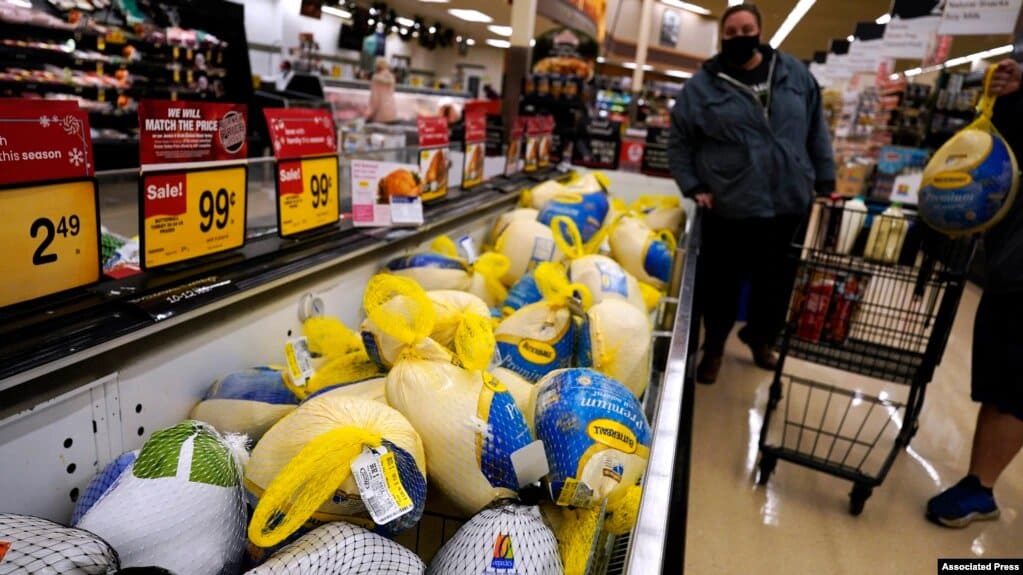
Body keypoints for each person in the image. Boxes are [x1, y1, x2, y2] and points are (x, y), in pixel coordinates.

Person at [667, 3, 835, 383]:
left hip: (788, 200)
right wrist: (693, 185)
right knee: (722, 287)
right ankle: (713, 350)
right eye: (731, 33)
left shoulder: (794, 74)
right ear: (721, 37)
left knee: (776, 285)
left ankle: (761, 341)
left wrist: (826, 179)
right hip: (731, 204)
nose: (740, 38)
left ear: (759, 32)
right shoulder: (702, 86)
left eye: (747, 30)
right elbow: (678, 142)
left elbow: (815, 130)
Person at [926, 57, 1023, 528]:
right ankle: (978, 484)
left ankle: (979, 486)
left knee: (1015, 378)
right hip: (1012, 257)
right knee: (1003, 372)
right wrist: (1008, 99)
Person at [366, 57, 398, 124]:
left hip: (380, 116)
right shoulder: (391, 77)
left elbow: (375, 100)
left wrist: (368, 115)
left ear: (377, 66)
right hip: (392, 115)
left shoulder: (376, 79)